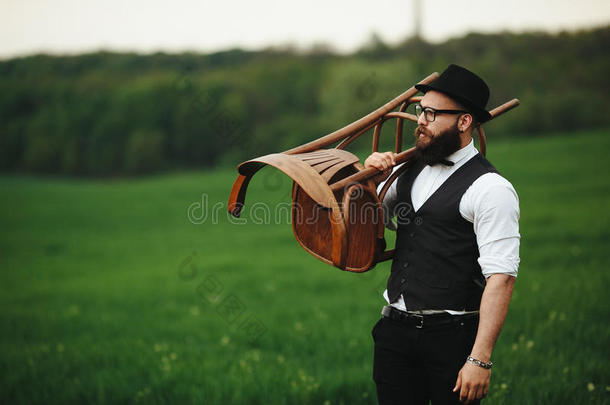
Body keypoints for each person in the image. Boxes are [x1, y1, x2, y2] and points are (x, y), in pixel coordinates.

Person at [364, 64, 520, 405]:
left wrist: (479, 359)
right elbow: (371, 223)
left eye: (432, 114)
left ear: (464, 122)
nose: (420, 120)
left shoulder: (491, 188)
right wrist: (372, 181)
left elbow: (501, 278)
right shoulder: (407, 170)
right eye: (422, 110)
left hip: (452, 338)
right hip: (393, 333)